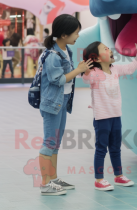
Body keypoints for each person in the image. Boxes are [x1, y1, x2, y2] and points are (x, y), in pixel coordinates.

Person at [82, 40, 137, 191]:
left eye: (108, 48)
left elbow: (131, 69)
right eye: (105, 49)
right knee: (101, 148)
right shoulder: (94, 74)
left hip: (116, 116)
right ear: (98, 59)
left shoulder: (115, 69)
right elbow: (86, 79)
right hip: (102, 118)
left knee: (115, 147)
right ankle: (99, 179)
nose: (109, 50)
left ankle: (118, 176)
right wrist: (86, 70)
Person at [39, 14, 93, 196]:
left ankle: (53, 179)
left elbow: (67, 74)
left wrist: (77, 68)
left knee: (55, 143)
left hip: (61, 102)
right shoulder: (52, 55)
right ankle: (45, 184)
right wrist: (78, 70)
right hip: (52, 103)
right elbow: (58, 79)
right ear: (64, 35)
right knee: (49, 143)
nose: (77, 35)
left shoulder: (65, 51)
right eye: (75, 32)